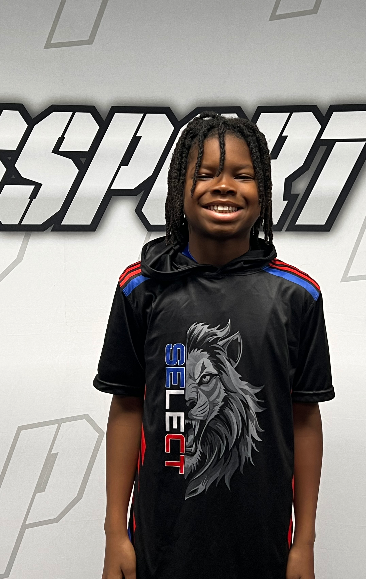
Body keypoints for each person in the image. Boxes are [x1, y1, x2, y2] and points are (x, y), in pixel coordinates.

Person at [94, 111, 335, 579]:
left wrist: (304, 543)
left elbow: (305, 419)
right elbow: (125, 407)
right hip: (161, 546)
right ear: (178, 190)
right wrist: (115, 535)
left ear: (263, 193)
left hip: (263, 547)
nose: (223, 186)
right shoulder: (141, 288)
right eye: (205, 174)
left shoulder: (297, 296)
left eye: (242, 176)